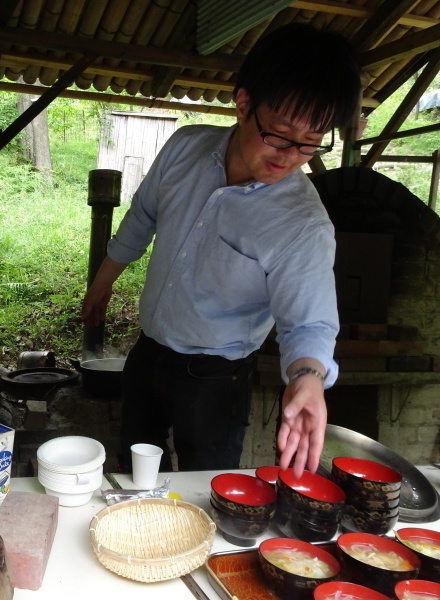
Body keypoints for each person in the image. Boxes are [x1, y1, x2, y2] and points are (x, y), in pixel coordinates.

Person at [81, 23, 361, 478]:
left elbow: (308, 322)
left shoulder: (303, 224)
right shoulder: (184, 148)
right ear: (244, 103)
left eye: (312, 141)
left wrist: (308, 379)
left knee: (206, 488)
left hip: (216, 380)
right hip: (148, 351)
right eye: (281, 133)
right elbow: (143, 217)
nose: (291, 155)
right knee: (132, 470)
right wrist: (103, 281)